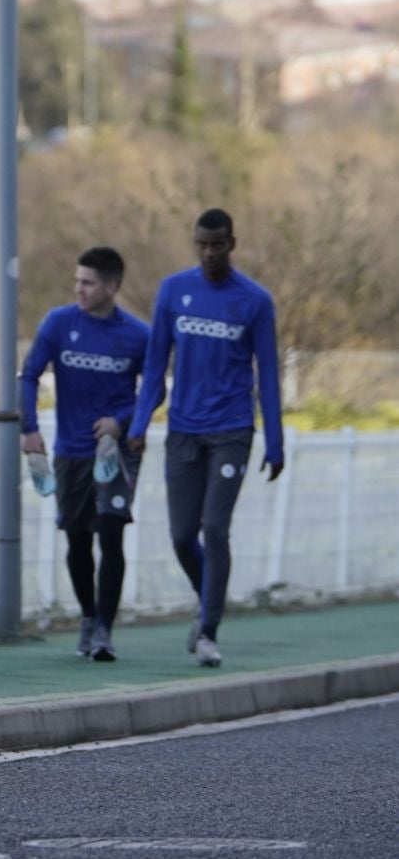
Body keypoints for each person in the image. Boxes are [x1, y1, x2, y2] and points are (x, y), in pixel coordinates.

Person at [128, 208, 284, 669]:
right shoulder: (173, 291)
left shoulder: (255, 300)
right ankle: (208, 600)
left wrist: (275, 441)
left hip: (232, 429)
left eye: (218, 245)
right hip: (184, 429)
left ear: (231, 244)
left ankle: (209, 631)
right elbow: (155, 364)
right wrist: (139, 423)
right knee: (182, 535)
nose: (210, 253)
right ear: (194, 244)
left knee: (214, 527)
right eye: (202, 245)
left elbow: (268, 374)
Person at [20, 247, 155, 662]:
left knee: (111, 532)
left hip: (115, 451)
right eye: (77, 281)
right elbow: (29, 376)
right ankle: (88, 614)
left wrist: (122, 421)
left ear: (111, 287)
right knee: (78, 540)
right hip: (71, 451)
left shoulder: (138, 335)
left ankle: (104, 631)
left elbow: (155, 390)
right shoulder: (59, 323)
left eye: (88, 283)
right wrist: (29, 429)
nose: (79, 289)